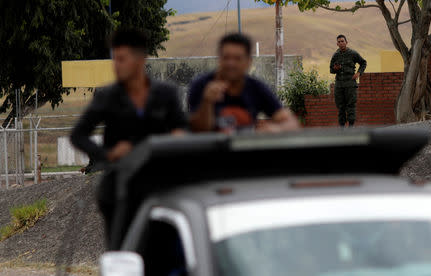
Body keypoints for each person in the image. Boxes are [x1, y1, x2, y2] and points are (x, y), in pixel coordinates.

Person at [70, 28, 186, 248]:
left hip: (159, 186)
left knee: (159, 252)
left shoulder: (166, 94)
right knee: (121, 252)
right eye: (115, 59)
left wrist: (175, 140)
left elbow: (182, 128)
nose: (116, 65)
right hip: (119, 189)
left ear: (140, 60)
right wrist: (107, 154)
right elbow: (78, 135)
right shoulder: (107, 96)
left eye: (122, 59)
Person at [188, 33, 299, 133]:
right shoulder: (202, 85)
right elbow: (197, 130)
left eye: (237, 58)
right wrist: (207, 103)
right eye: (226, 57)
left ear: (248, 62)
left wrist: (276, 129)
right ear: (219, 59)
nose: (231, 63)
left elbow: (292, 124)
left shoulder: (256, 88)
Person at [330, 34, 367, 127]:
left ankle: (351, 126)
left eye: (342, 41)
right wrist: (336, 68)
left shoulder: (353, 53)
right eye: (339, 42)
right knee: (340, 107)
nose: (341, 43)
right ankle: (342, 128)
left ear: (346, 42)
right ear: (337, 44)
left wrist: (358, 73)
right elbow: (331, 70)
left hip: (350, 83)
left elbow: (363, 62)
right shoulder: (335, 55)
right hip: (339, 84)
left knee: (351, 106)